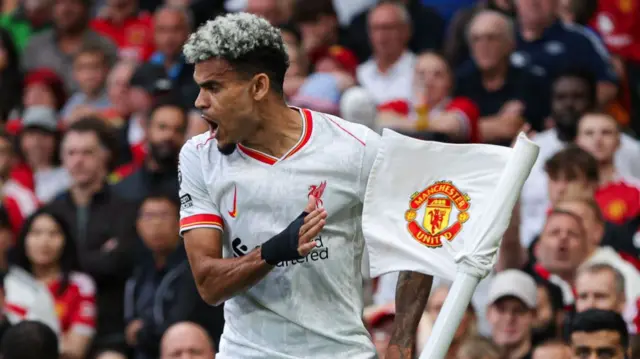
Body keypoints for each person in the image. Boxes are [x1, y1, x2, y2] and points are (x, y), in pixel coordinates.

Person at [179, 12, 432, 358]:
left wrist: (402, 341)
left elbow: (418, 242)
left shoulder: (356, 149)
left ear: (259, 87)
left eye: (214, 87)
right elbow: (208, 283)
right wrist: (274, 251)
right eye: (199, 87)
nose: (199, 102)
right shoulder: (198, 156)